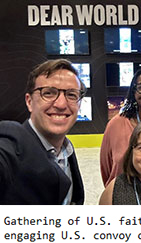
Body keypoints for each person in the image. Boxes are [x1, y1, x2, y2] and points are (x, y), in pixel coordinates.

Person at [0, 59, 86, 205]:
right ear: (29, 102)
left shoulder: (66, 150)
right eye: (49, 93)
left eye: (71, 95)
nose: (61, 104)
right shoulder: (11, 145)